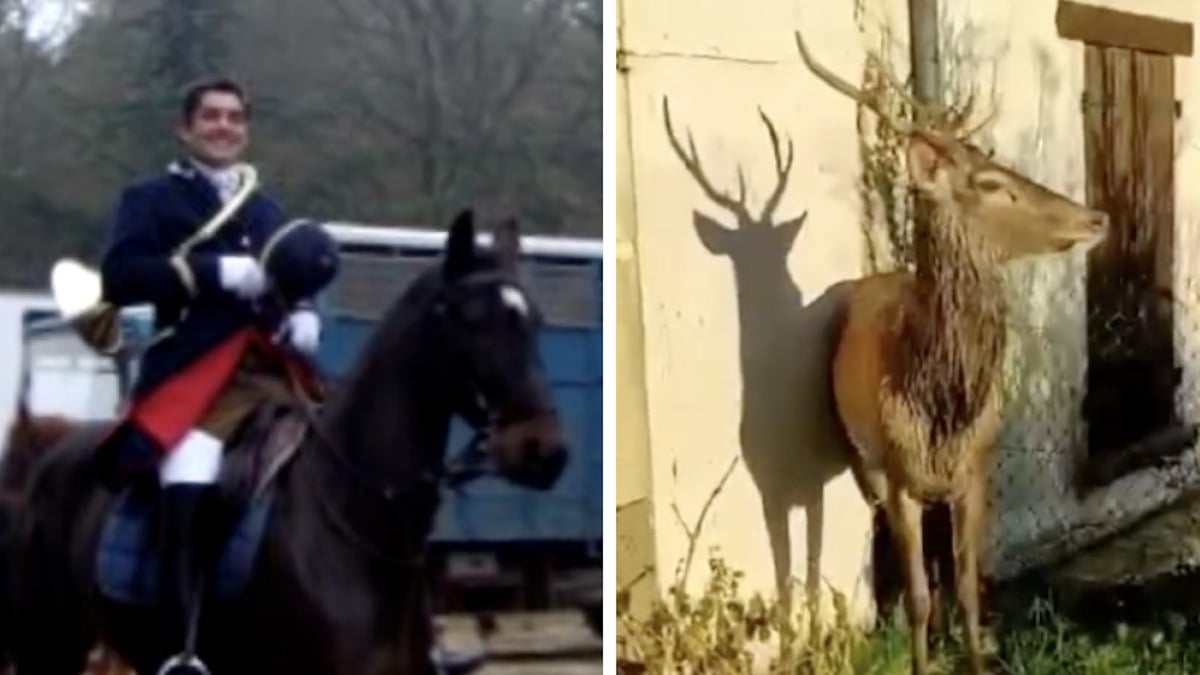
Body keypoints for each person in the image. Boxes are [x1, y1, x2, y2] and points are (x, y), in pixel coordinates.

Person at [94, 76, 338, 667]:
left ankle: (412, 633)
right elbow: (120, 277)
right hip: (191, 368)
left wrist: (303, 312)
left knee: (356, 453)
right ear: (187, 127)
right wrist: (213, 274)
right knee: (191, 469)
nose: (223, 126)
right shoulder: (150, 199)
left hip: (268, 367)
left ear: (246, 129)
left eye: (234, 117)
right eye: (211, 117)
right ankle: (183, 646)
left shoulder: (268, 208)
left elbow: (292, 277)